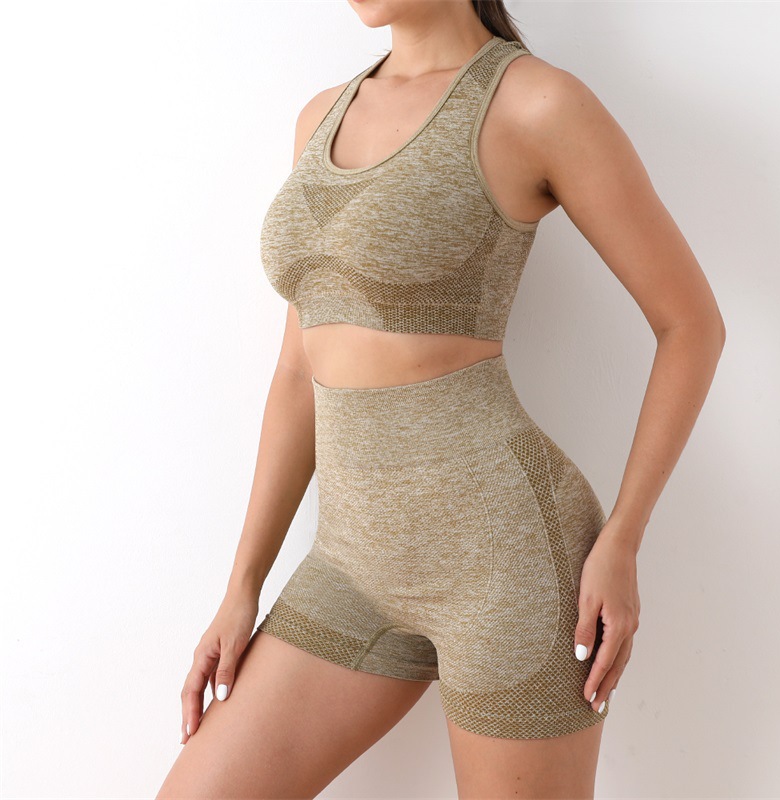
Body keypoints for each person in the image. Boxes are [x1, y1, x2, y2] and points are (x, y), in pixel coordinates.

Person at [156, 2, 725, 798]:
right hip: (351, 564)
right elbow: (296, 375)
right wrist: (241, 587)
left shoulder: (535, 103)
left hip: (506, 566)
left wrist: (623, 540)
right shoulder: (320, 117)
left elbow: (691, 325)